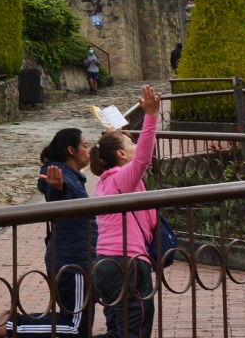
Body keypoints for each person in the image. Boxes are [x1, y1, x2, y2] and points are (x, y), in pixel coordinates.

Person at [0, 127, 95, 338]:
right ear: (71, 150)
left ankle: (12, 320)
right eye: (85, 145)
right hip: (74, 259)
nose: (89, 150)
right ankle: (10, 328)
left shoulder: (71, 174)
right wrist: (59, 187)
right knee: (76, 328)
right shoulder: (58, 173)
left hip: (75, 256)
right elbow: (57, 190)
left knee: (76, 322)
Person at [89, 85, 162, 338]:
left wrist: (112, 133)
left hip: (105, 266)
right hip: (127, 265)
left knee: (117, 332)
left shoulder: (106, 182)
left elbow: (125, 153)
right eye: (130, 142)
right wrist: (152, 116)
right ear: (120, 154)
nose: (134, 144)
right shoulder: (122, 177)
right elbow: (142, 159)